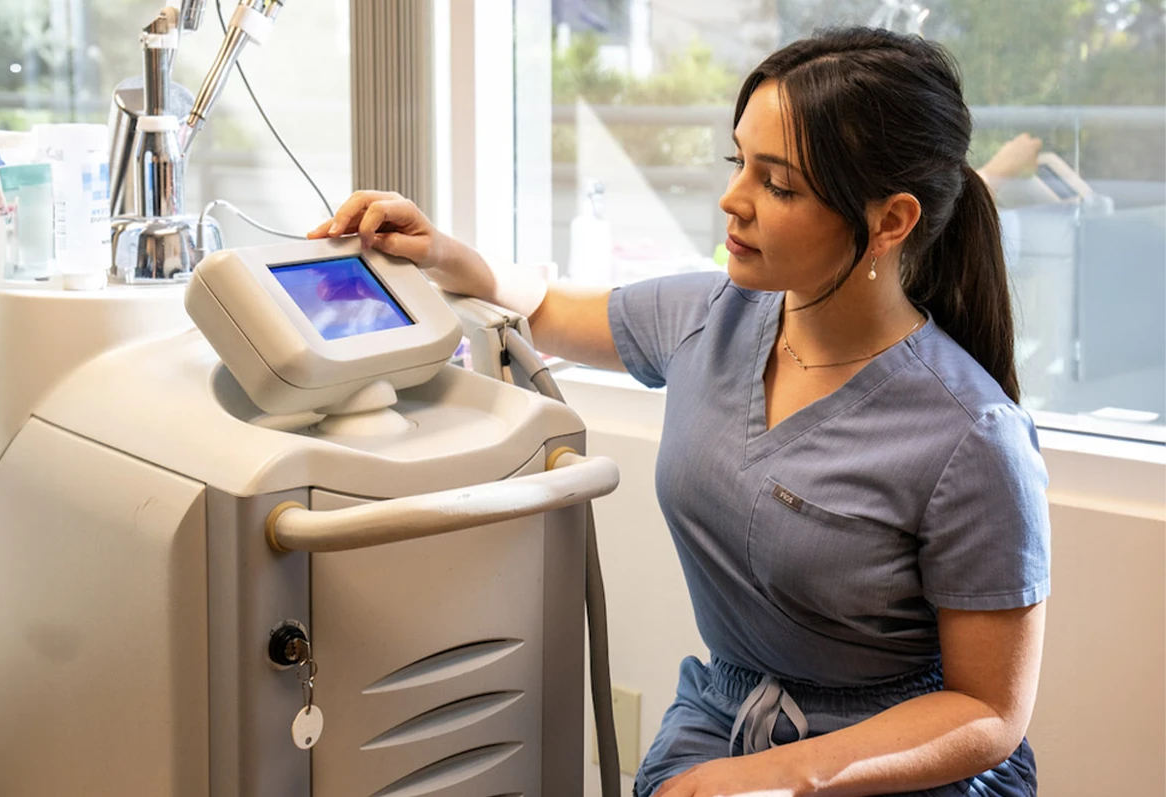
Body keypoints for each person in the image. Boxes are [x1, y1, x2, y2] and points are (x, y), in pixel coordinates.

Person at [309, 26, 1050, 797]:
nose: (733, 200)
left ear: (892, 221)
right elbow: (551, 310)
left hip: (890, 754)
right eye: (739, 163)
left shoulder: (973, 437)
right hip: (723, 711)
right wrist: (441, 254)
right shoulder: (714, 316)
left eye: (780, 184)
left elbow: (986, 710)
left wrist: (784, 776)